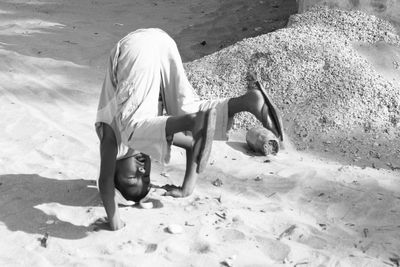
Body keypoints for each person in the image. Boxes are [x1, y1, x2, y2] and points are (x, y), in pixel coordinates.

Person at [95, 28, 283, 230]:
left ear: (115, 167)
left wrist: (115, 222)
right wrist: (186, 188)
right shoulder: (149, 136)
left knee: (133, 130)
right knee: (186, 108)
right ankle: (249, 102)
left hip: (133, 48)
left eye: (133, 177)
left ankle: (192, 122)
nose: (142, 170)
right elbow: (193, 144)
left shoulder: (113, 142)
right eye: (147, 176)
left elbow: (104, 181)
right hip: (162, 42)